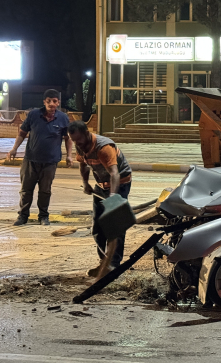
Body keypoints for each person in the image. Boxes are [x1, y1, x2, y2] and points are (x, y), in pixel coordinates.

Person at [67, 120, 132, 277]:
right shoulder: (79, 145)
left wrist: (113, 198)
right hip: (101, 184)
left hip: (119, 184)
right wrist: (85, 184)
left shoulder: (104, 148)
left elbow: (114, 174)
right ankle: (104, 263)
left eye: (79, 140)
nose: (77, 144)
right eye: (74, 141)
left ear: (87, 134)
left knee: (115, 226)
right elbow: (83, 164)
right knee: (98, 227)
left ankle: (114, 265)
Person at [7, 89, 73, 226]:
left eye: (54, 101)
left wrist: (69, 156)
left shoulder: (63, 118)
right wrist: (14, 149)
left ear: (58, 102)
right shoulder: (33, 115)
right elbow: (22, 133)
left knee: (45, 191)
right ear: (44, 102)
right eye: (48, 101)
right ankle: (23, 216)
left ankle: (43, 216)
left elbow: (68, 138)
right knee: (26, 190)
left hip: (50, 162)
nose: (51, 104)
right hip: (31, 160)